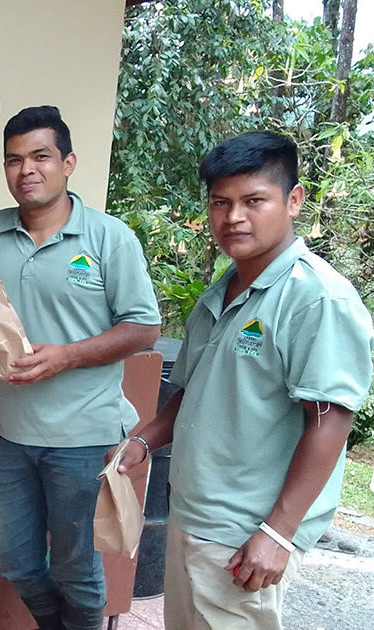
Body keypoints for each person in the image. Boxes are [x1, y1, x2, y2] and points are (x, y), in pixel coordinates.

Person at [109, 131, 374, 629]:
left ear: (294, 200)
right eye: (220, 203)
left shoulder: (316, 299)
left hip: (244, 533)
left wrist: (278, 533)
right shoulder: (223, 291)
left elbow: (330, 422)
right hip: (194, 514)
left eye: (254, 201)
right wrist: (142, 440)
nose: (233, 217)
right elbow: (192, 390)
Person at [0, 105, 160, 629]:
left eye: (41, 156)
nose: (26, 169)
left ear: (68, 163)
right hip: (15, 433)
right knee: (11, 556)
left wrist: (66, 355)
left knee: (78, 569)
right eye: (14, 160)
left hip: (85, 436)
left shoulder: (108, 237)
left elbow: (144, 328)